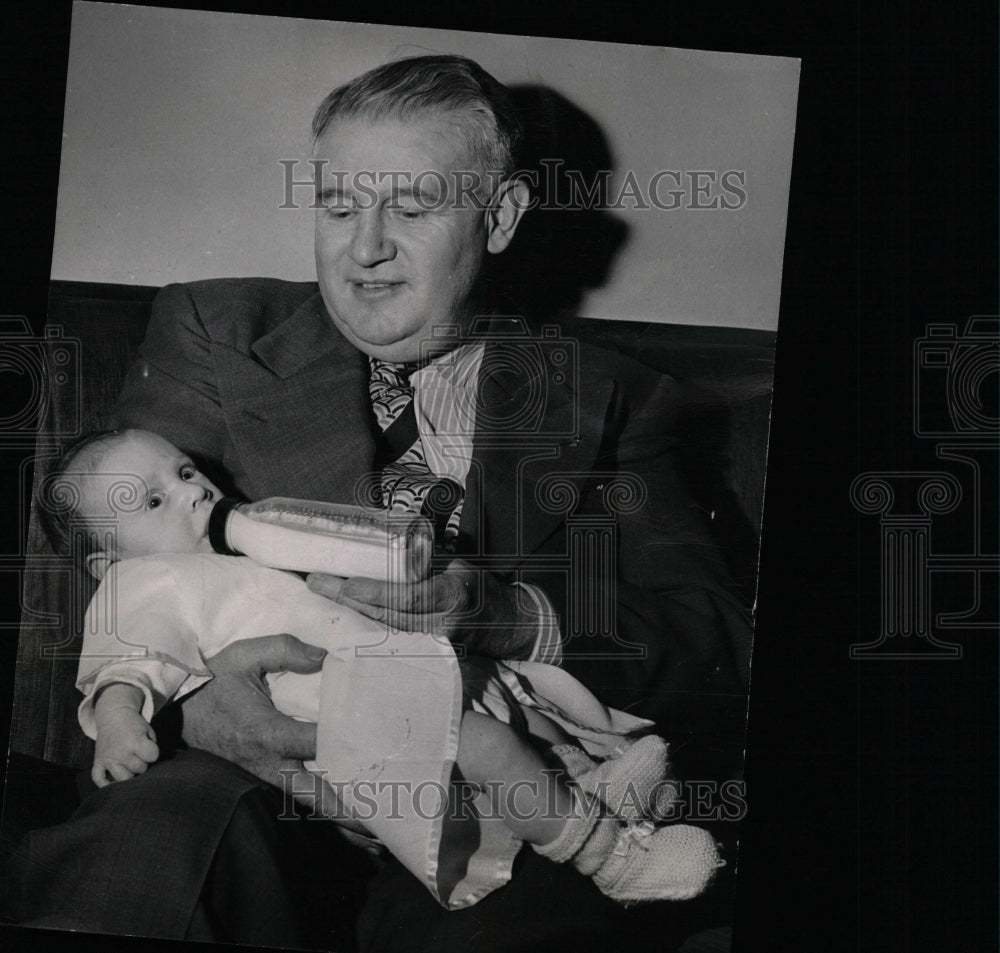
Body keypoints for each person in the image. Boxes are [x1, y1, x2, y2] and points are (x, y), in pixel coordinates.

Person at [11, 54, 753, 950]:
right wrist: (208, 713)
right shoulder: (217, 332)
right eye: (337, 206)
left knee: (530, 924)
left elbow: (713, 639)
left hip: (495, 784)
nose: (364, 247)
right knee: (151, 841)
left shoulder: (613, 398)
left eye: (410, 206)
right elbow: (112, 568)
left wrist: (510, 617)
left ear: (501, 216)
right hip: (245, 773)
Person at [60, 426, 722, 908]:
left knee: (520, 719)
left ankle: (601, 786)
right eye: (152, 501)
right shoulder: (142, 582)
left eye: (182, 473)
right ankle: (610, 858)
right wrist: (120, 716)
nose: (190, 492)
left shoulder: (241, 547)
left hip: (410, 676)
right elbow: (130, 659)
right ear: (106, 563)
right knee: (491, 743)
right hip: (350, 721)